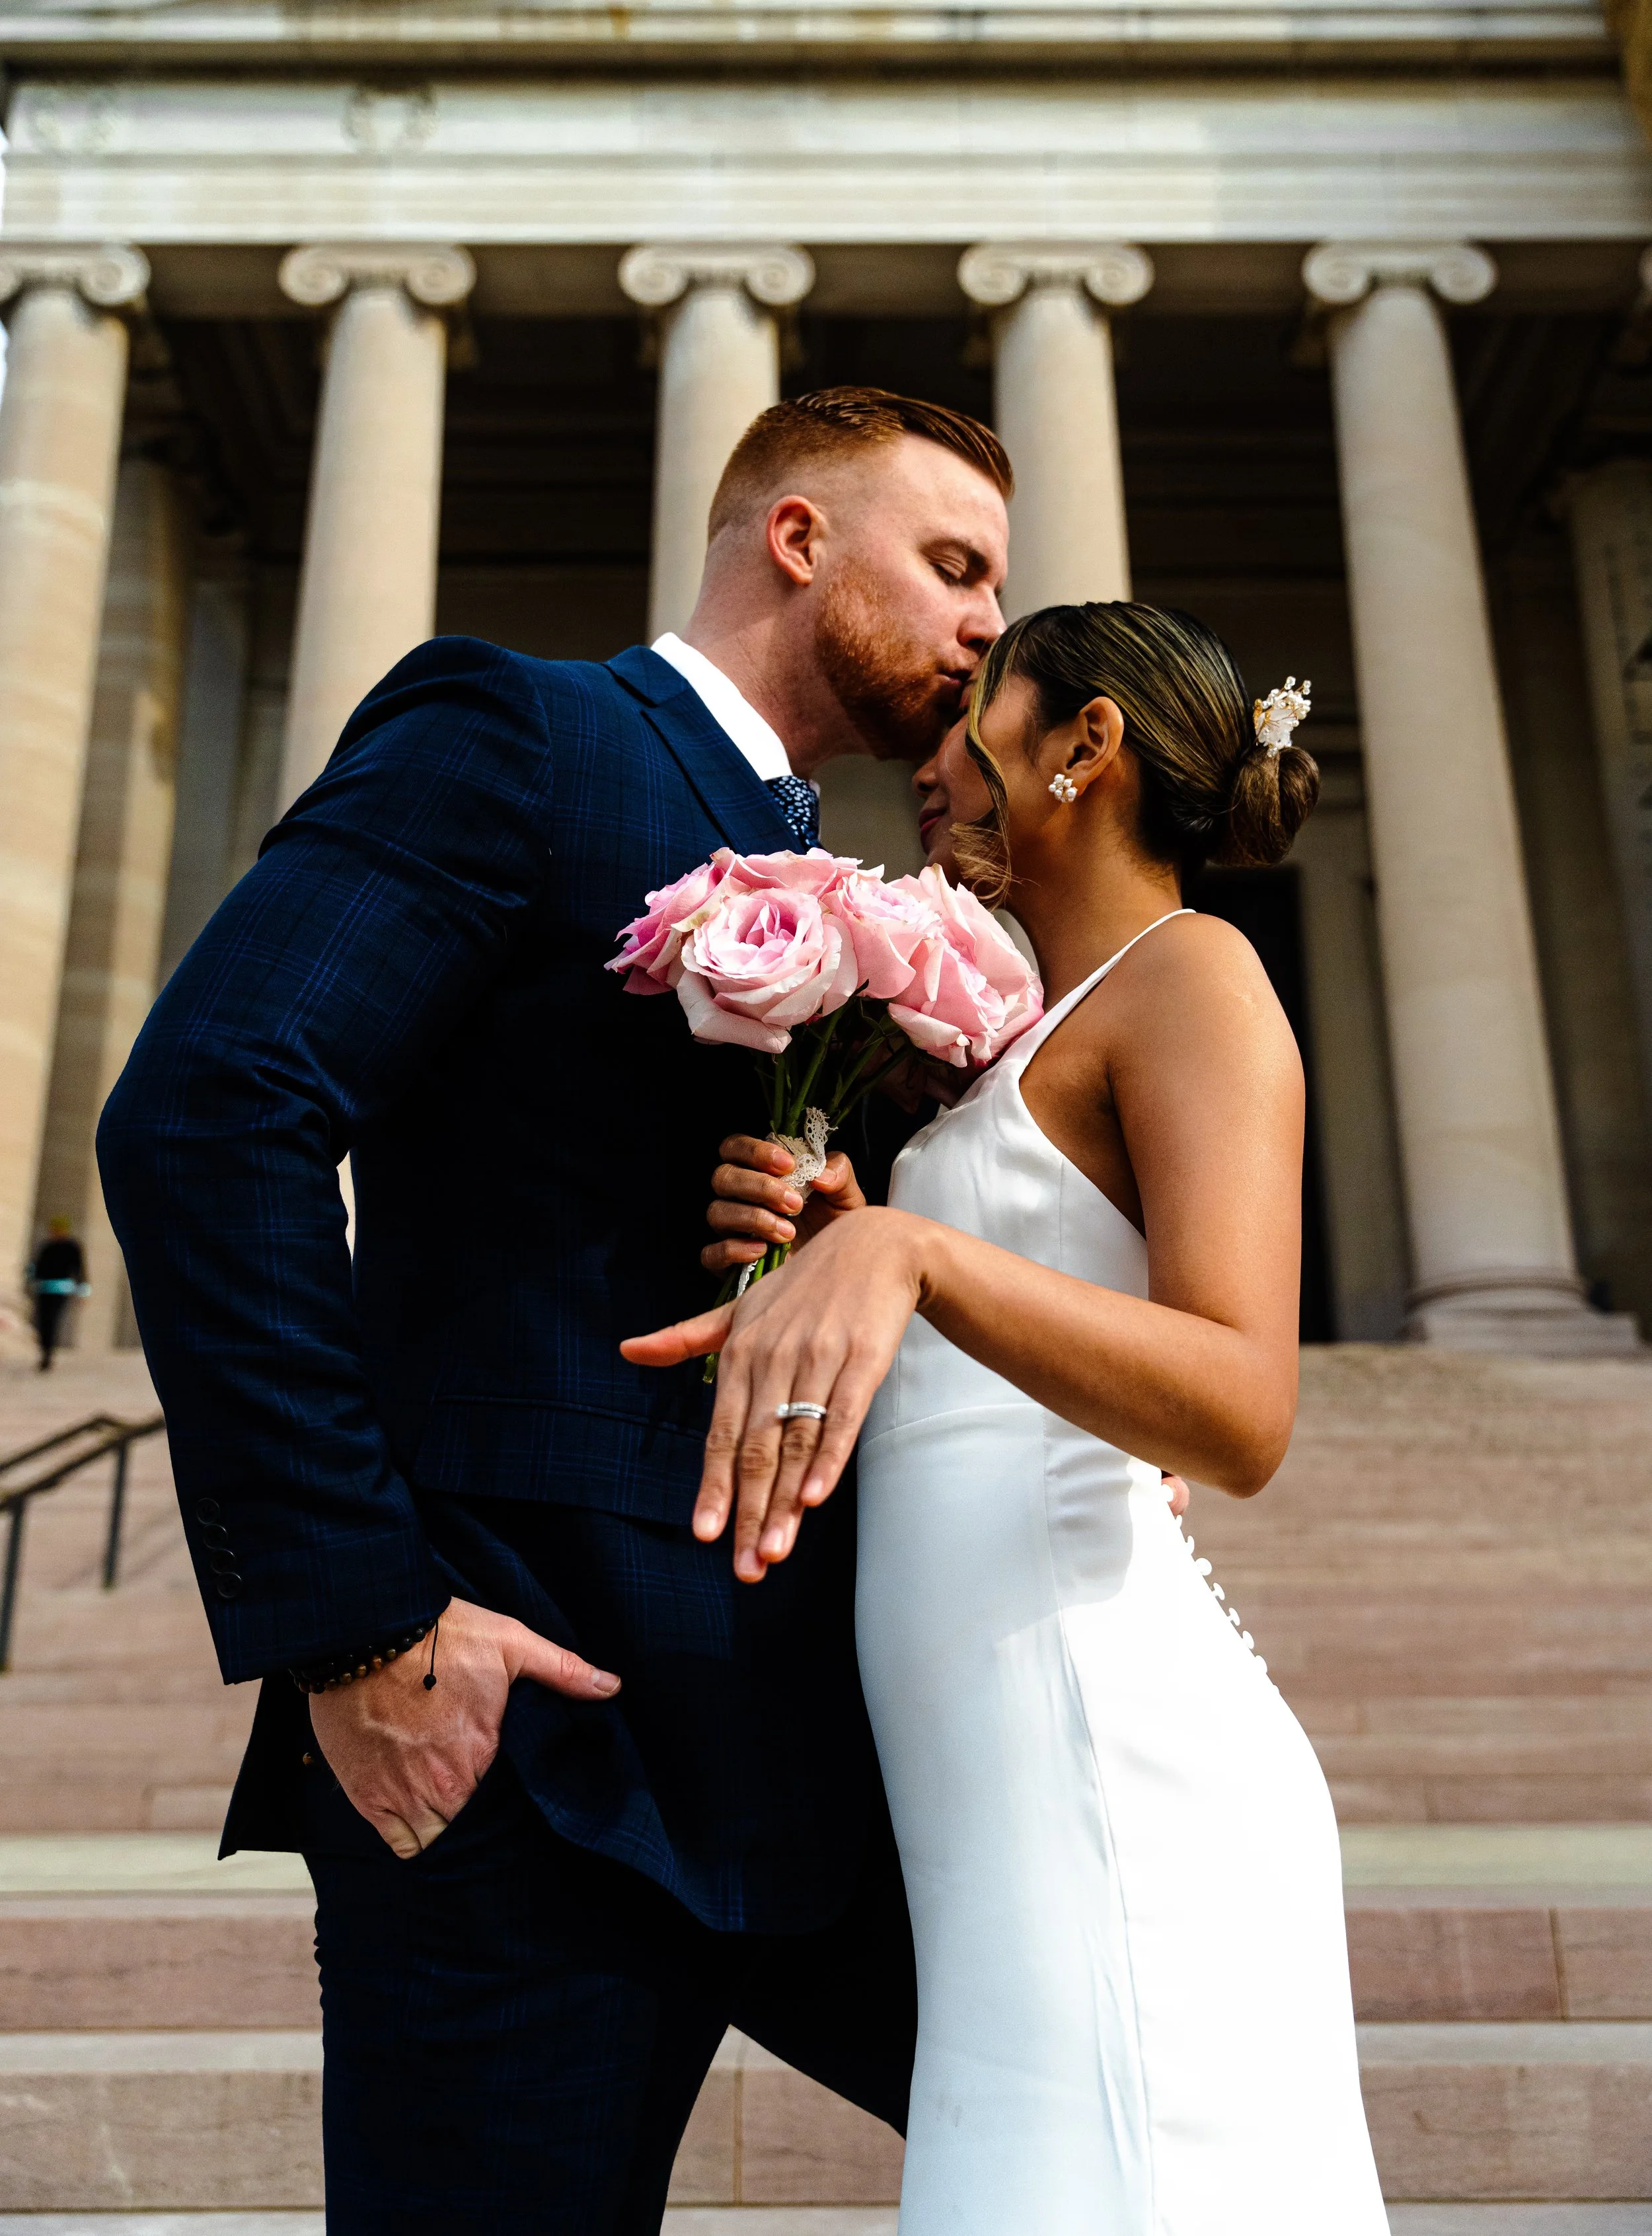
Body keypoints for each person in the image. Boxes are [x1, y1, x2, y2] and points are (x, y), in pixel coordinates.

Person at [96, 386, 1014, 2236]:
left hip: (810, 1738)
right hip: (533, 1745)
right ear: (796, 537)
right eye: (954, 564)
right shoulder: (515, 728)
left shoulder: (816, 852)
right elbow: (211, 1106)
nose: (988, 621)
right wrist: (364, 1626)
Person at [629, 603, 1388, 2233]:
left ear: (1085, 749)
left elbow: (1243, 1404)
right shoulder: (1034, 1024)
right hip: (990, 1768)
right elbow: (1019, 1313)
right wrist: (849, 1243)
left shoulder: (1197, 974)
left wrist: (919, 1252)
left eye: (977, 716)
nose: (935, 758)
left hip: (1107, 1746)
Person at [27, 1216, 87, 1370]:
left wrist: (83, 1292)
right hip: (43, 1290)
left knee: (52, 1321)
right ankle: (44, 1350)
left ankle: (48, 1354)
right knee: (43, 1321)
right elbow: (36, 1267)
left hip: (60, 1290)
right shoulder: (47, 1247)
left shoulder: (72, 1247)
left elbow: (80, 1270)